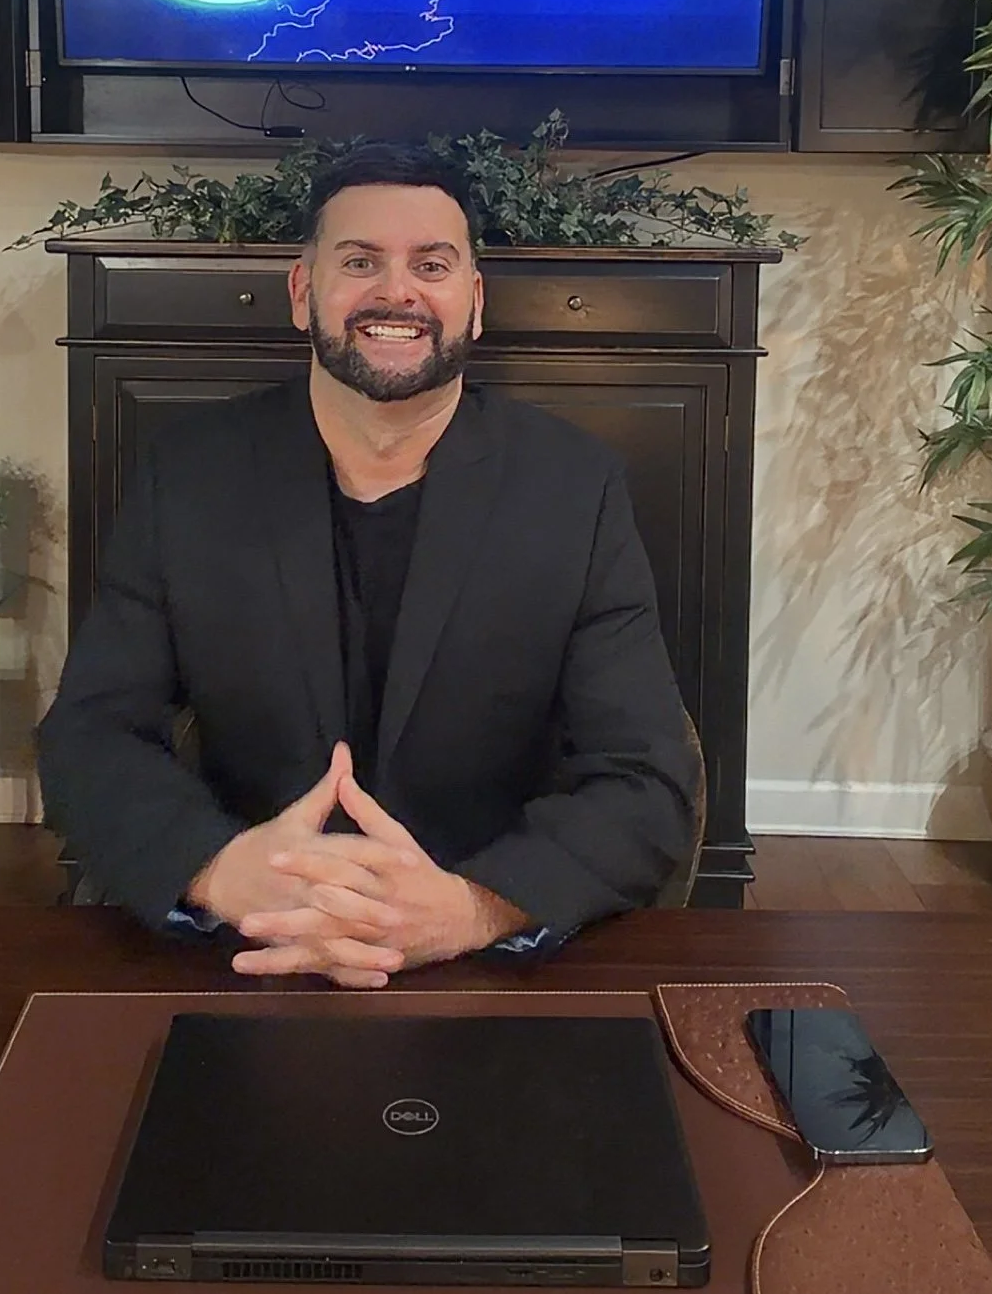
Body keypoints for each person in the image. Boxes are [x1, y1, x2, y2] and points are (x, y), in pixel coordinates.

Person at [37, 144, 698, 987]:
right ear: (302, 291)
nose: (398, 291)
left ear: (474, 301)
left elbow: (646, 777)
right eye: (359, 261)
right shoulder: (191, 475)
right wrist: (220, 871)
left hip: (482, 952)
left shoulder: (575, 488)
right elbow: (89, 734)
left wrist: (470, 907)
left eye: (432, 263)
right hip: (247, 937)